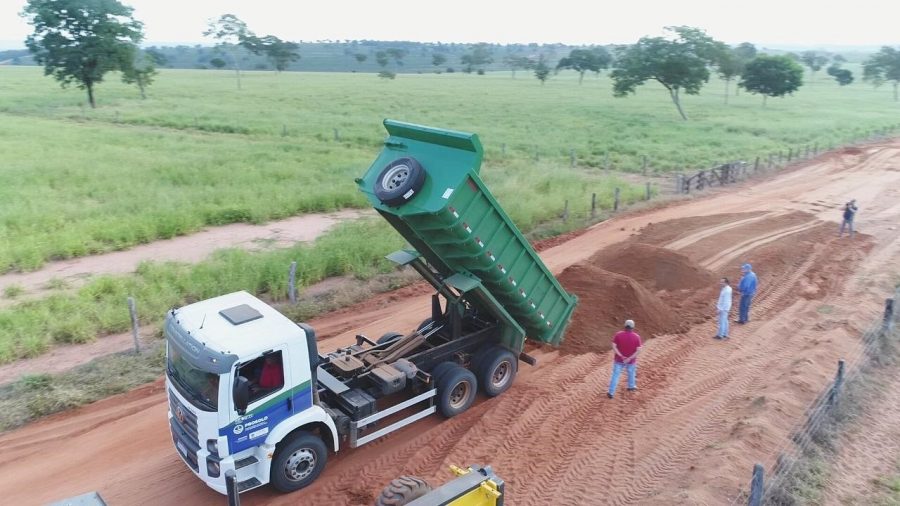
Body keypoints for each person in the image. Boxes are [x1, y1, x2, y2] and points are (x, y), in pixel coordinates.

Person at [607, 319, 643, 399]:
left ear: (624, 326)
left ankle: (611, 392)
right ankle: (631, 386)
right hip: (631, 361)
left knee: (615, 376)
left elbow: (614, 346)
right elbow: (639, 350)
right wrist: (629, 358)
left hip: (619, 360)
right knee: (631, 373)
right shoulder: (637, 337)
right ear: (633, 327)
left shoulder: (618, 335)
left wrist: (621, 356)